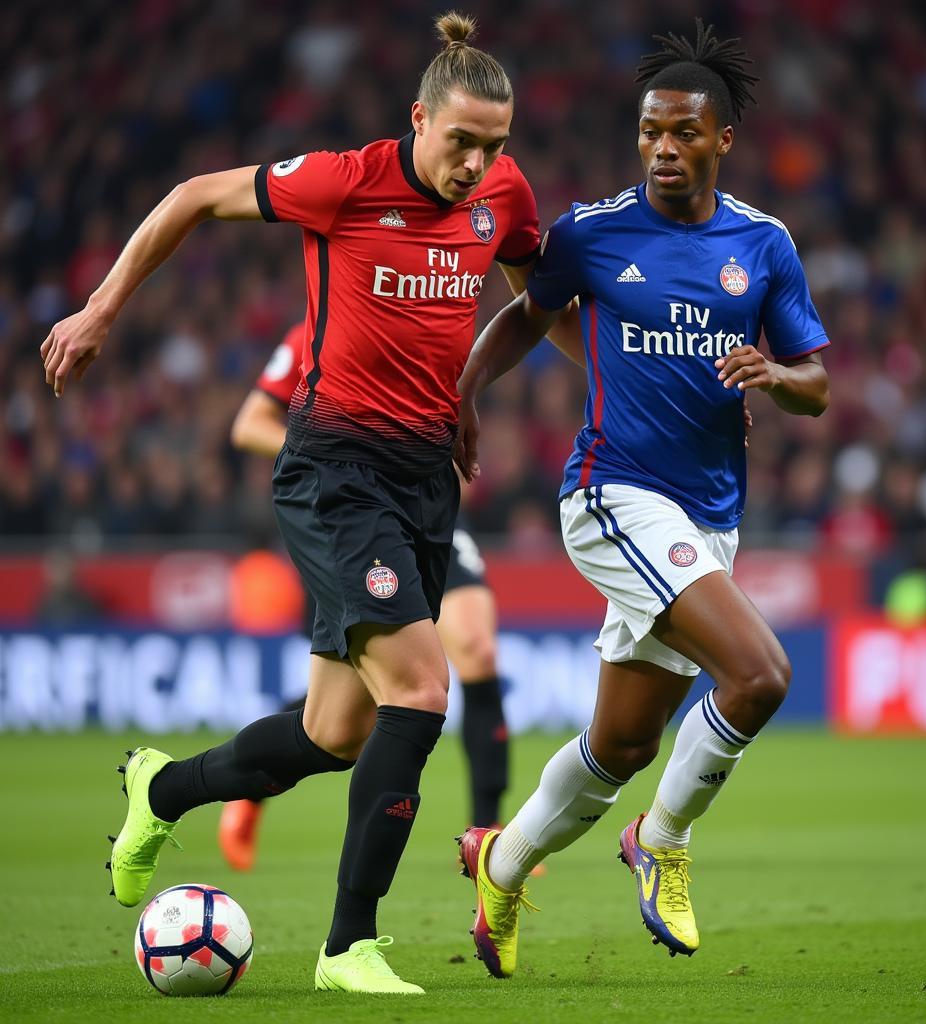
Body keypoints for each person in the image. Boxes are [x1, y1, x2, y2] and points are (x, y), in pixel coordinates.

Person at [41, 13, 578, 995]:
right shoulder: (346, 179)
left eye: (493, 146)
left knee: (336, 733)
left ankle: (158, 786)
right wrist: (104, 305)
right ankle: (348, 944)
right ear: (418, 118)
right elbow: (195, 195)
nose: (476, 163)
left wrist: (472, 395)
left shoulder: (504, 195)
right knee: (422, 688)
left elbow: (536, 299)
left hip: (424, 478)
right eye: (460, 140)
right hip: (335, 470)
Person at [454, 20, 830, 979]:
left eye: (685, 133)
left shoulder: (764, 243)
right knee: (759, 677)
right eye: (651, 131)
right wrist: (460, 398)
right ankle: (660, 843)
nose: (665, 148)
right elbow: (526, 316)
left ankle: (501, 862)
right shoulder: (594, 231)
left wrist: (774, 376)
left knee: (620, 744)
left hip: (709, 517)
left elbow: (818, 381)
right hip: (612, 494)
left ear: (722, 140)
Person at [217, 321, 516, 872]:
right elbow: (250, 424)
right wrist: (342, 458)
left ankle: (488, 831)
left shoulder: (432, 297)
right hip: (357, 509)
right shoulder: (315, 330)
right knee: (355, 704)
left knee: (477, 646)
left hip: (428, 508)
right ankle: (248, 787)